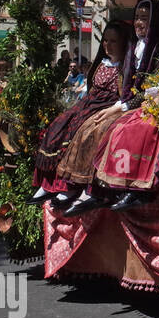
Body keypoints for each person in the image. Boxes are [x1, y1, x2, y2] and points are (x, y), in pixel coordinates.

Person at [56, 0, 159, 215]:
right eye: (137, 17)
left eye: (144, 18)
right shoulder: (135, 46)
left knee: (118, 129)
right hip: (128, 102)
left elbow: (151, 86)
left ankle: (113, 189)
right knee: (85, 124)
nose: (139, 23)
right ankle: (73, 184)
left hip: (149, 102)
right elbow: (128, 84)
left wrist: (118, 108)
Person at [31, 21, 135, 204]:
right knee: (59, 124)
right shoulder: (102, 63)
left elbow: (126, 94)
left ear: (123, 42)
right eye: (105, 40)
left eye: (113, 41)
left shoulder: (126, 66)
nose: (108, 45)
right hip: (89, 102)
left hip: (108, 105)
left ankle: (72, 186)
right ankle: (49, 183)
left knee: (83, 131)